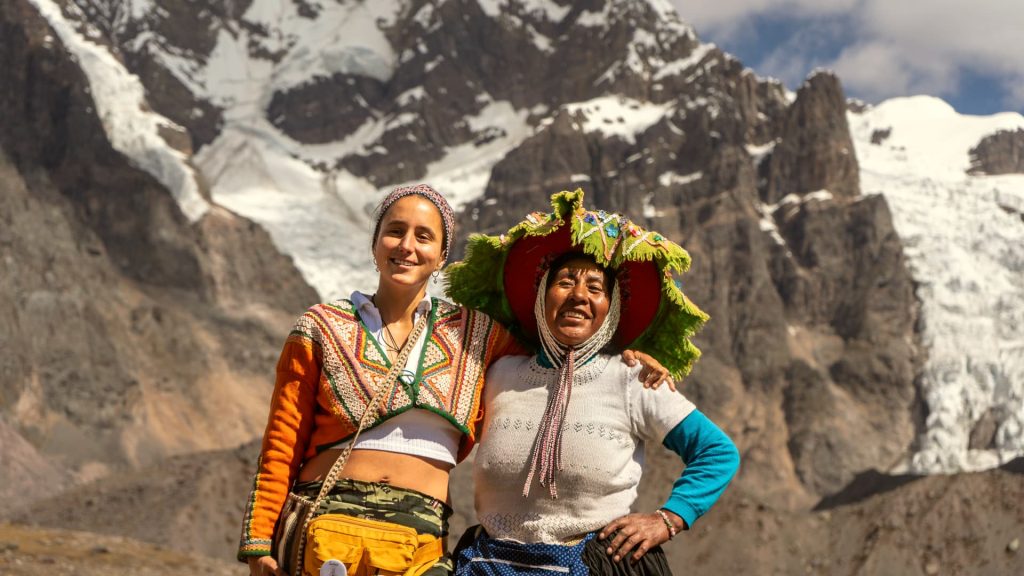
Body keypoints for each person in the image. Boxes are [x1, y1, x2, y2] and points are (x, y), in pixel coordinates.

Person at [237, 184, 673, 576]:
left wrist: (628, 357)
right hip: (326, 527)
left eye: (424, 236)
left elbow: (560, 357)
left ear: (442, 256)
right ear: (374, 245)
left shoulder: (478, 335)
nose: (407, 246)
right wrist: (258, 542)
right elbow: (282, 440)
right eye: (395, 231)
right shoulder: (320, 327)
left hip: (421, 541)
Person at [445, 189, 740, 576]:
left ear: (611, 308)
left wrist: (669, 518)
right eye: (565, 282)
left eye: (595, 288)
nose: (579, 296)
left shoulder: (632, 378)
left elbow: (717, 453)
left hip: (592, 565)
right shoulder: (498, 374)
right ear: (541, 297)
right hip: (488, 565)